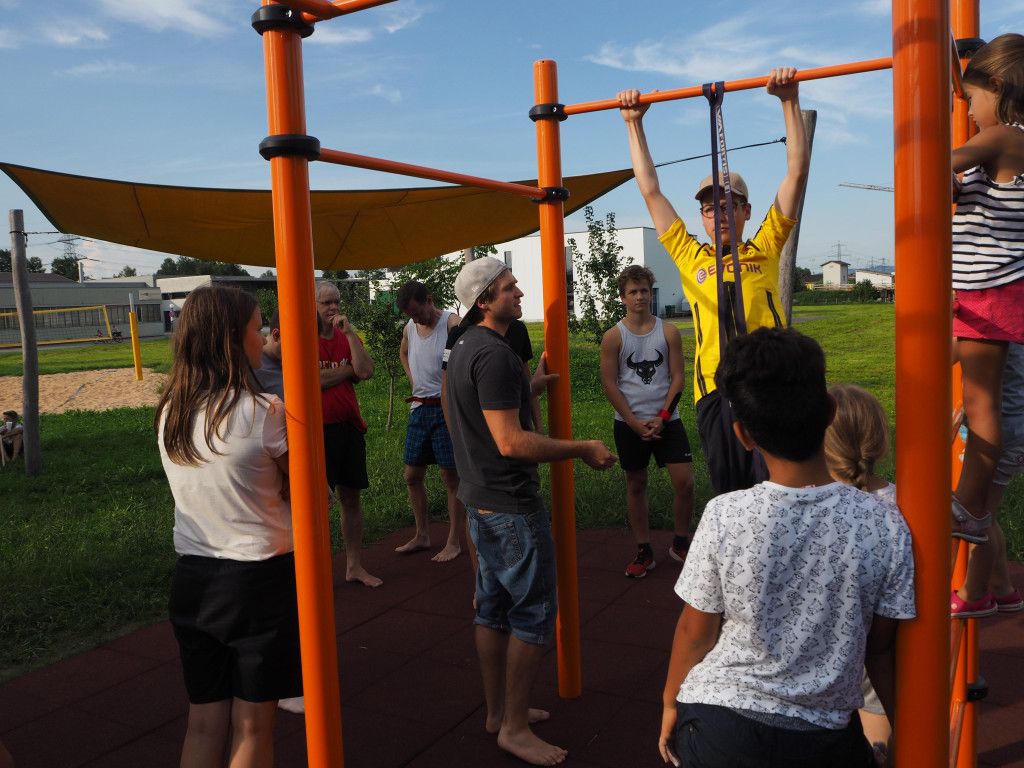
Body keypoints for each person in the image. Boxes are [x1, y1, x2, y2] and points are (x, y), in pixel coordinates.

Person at [659, 328, 915, 768]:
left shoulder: (725, 514)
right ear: (830, 411)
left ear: (743, 435)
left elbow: (695, 632)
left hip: (720, 722)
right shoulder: (886, 523)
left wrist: (670, 702)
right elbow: (880, 649)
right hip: (822, 735)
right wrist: (910, 733)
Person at [445, 256, 617, 766]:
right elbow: (511, 441)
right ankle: (515, 729)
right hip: (510, 505)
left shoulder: (464, 347)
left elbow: (480, 409)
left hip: (478, 499)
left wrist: (529, 387)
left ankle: (499, 713)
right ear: (484, 301)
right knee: (534, 615)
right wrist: (582, 447)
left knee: (491, 609)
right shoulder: (495, 355)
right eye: (509, 287)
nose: (519, 293)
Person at [617, 66, 810, 496]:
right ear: (702, 217)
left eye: (728, 205)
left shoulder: (765, 246)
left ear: (745, 211)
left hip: (769, 385)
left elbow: (796, 173)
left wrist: (789, 100)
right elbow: (651, 191)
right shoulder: (690, 256)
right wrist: (634, 123)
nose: (718, 214)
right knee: (729, 492)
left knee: (777, 489)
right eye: (709, 209)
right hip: (715, 389)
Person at [155, 285, 301, 767]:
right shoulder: (264, 412)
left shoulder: (171, 411)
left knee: (202, 723)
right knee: (253, 727)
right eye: (258, 328)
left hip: (194, 580)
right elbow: (310, 492)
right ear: (232, 339)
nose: (265, 337)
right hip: (256, 581)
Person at [949, 33, 1024, 544]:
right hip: (987, 292)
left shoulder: (1004, 137)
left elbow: (938, 160)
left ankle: (968, 507)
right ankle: (972, 507)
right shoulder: (1007, 145)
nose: (970, 111)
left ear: (997, 86)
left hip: (989, 291)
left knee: (980, 405)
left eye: (971, 98)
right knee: (974, 398)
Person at [599, 265, 694, 578]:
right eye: (633, 292)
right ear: (622, 297)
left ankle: (680, 543)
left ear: (650, 293)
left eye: (643, 291)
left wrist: (663, 417)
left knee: (685, 482)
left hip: (668, 420)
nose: (639, 296)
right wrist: (633, 422)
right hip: (630, 423)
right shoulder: (613, 337)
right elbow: (609, 383)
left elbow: (678, 378)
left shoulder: (668, 332)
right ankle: (644, 550)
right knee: (636, 483)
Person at [823, 383, 899, 763]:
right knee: (877, 727)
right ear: (881, 441)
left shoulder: (810, 502)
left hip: (824, 644)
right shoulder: (905, 504)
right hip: (881, 640)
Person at [316, 280, 383, 588]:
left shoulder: (346, 336)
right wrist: (348, 371)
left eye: (337, 302)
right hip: (318, 432)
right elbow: (312, 379)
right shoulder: (305, 337)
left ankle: (354, 565)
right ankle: (316, 575)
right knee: (318, 504)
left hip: (349, 427)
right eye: (326, 303)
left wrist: (351, 334)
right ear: (313, 305)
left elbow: (366, 371)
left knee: (351, 497)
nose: (333, 308)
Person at [394, 280, 466, 562]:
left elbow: (467, 348)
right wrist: (413, 379)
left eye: (418, 313)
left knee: (450, 477)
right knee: (411, 476)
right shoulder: (409, 328)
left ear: (429, 300)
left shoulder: (450, 323)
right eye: (410, 315)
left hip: (443, 409)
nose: (416, 319)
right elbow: (403, 352)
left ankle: (454, 541)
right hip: (418, 410)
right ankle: (422, 534)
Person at [953, 343, 1024, 617]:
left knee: (977, 516)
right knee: (988, 515)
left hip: (1000, 435)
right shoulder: (1011, 326)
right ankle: (1002, 588)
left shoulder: (991, 328)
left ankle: (975, 593)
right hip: (1011, 431)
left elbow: (945, 354)